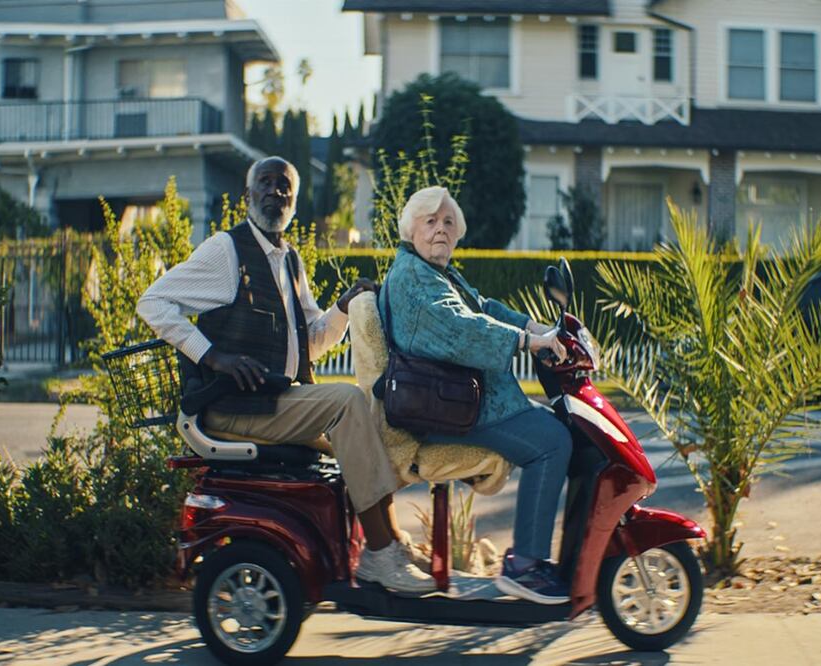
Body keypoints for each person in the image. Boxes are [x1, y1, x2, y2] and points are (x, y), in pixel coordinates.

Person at [137, 156, 433, 593]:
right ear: (247, 196)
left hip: (272, 401)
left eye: (285, 186)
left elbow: (309, 341)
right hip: (234, 407)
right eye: (266, 183)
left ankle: (386, 542)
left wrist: (343, 307)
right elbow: (153, 302)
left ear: (294, 201)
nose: (276, 192)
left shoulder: (289, 259)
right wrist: (213, 356)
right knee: (348, 402)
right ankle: (380, 555)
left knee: (367, 421)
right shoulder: (226, 250)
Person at [380, 186, 574, 605]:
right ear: (410, 229)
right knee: (553, 442)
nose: (440, 230)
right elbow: (460, 329)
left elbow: (481, 308)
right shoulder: (413, 279)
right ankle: (527, 566)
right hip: (446, 410)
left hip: (460, 401)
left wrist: (537, 328)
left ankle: (538, 558)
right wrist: (525, 342)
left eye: (448, 223)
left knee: (558, 427)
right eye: (430, 221)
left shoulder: (435, 273)